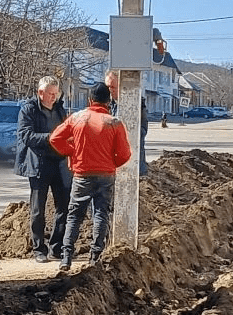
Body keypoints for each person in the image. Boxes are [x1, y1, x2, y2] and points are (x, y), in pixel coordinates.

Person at [49, 83, 131, 271]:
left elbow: (55, 138)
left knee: (74, 216)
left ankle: (66, 258)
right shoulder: (114, 123)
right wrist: (111, 163)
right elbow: (125, 154)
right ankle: (95, 256)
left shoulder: (77, 118)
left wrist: (72, 152)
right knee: (101, 214)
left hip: (82, 174)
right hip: (105, 175)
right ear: (108, 102)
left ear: (89, 100)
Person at [14, 76, 71, 263]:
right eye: (50, 93)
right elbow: (26, 136)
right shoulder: (28, 110)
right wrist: (51, 138)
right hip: (38, 164)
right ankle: (39, 249)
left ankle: (57, 247)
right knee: (38, 209)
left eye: (56, 93)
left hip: (60, 163)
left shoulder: (60, 109)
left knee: (64, 206)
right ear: (40, 93)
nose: (54, 97)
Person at [104, 70, 148, 175]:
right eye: (107, 87)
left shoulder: (136, 106)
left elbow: (140, 132)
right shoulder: (108, 104)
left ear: (122, 86)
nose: (109, 91)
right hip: (112, 166)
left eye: (112, 87)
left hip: (133, 166)